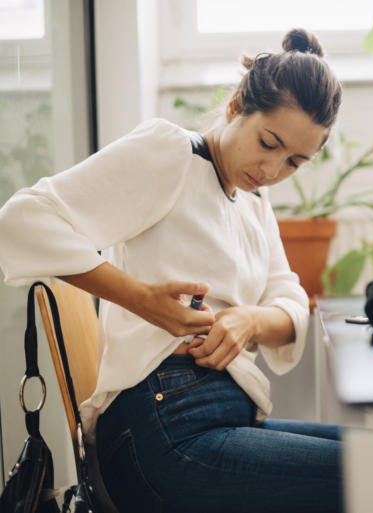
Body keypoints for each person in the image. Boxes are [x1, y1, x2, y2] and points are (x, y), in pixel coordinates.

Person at [0, 28, 344, 513]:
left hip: (225, 418)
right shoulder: (173, 156)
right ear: (236, 105)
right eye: (268, 143)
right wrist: (140, 299)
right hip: (161, 429)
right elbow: (20, 220)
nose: (271, 169)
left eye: (294, 161)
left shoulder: (254, 200)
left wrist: (249, 321)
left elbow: (289, 300)